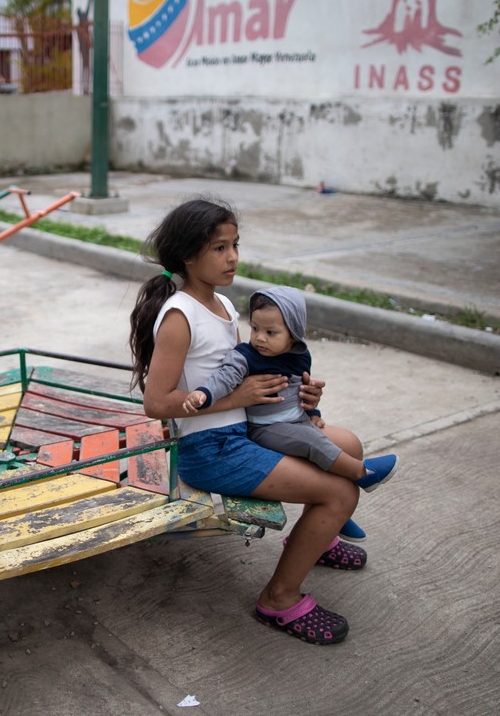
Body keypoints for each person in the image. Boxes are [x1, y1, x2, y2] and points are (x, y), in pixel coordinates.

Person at [129, 197, 365, 645]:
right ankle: (279, 598)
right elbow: (156, 403)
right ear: (187, 256)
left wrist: (300, 399)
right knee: (341, 491)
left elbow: (248, 372)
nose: (233, 257)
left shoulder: (221, 303)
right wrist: (235, 398)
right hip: (212, 449)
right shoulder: (180, 316)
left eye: (235, 244)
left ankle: (317, 540)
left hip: (247, 429)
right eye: (219, 248)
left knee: (347, 444)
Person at [182, 285, 399, 542]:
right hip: (266, 429)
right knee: (313, 443)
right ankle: (363, 474)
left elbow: (302, 386)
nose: (259, 338)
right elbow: (225, 378)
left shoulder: (300, 356)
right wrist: (204, 393)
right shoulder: (246, 356)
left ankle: (337, 519)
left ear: (293, 335)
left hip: (296, 420)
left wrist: (314, 411)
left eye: (271, 332)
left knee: (338, 441)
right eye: (255, 328)